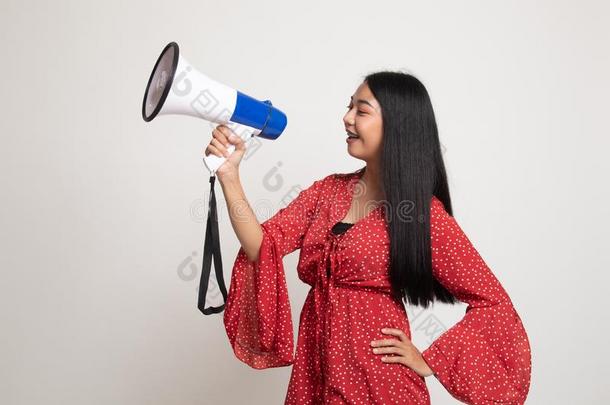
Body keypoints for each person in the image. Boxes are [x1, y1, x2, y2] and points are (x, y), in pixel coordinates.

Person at [204, 71, 532, 404]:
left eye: (361, 110)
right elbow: (261, 244)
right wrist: (230, 176)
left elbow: (493, 302)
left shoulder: (421, 213)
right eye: (349, 107)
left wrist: (433, 360)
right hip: (314, 372)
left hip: (380, 382)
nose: (346, 118)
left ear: (397, 125)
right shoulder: (327, 191)